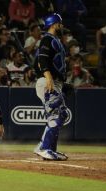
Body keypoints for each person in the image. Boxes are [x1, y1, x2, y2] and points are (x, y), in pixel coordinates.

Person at [33, 13, 68, 161]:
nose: (62, 26)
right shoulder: (47, 39)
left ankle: (50, 149)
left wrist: (62, 83)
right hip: (48, 81)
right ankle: (44, 148)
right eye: (60, 24)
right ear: (54, 24)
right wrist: (49, 78)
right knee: (57, 115)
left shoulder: (54, 40)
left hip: (54, 81)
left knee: (60, 114)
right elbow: (42, 60)